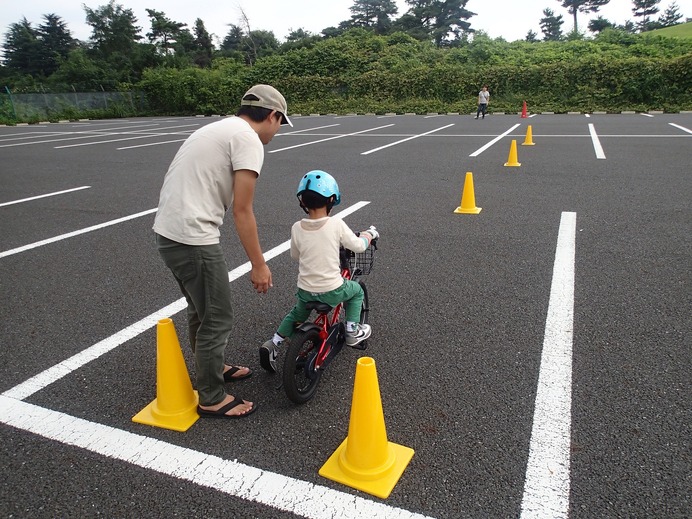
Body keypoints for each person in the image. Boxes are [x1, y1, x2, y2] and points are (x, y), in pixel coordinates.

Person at [153, 84, 292, 418]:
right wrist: (259, 265)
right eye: (280, 123)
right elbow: (242, 210)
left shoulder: (218, 128)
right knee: (217, 317)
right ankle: (212, 396)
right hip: (192, 238)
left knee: (201, 312)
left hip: (169, 235)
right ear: (272, 115)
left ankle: (211, 372)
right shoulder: (247, 139)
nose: (277, 131)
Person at [259, 170, 379, 373]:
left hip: (305, 291)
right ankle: (352, 330)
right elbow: (358, 246)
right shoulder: (335, 224)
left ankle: (274, 343)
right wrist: (369, 234)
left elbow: (295, 256)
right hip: (331, 289)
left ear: (302, 202)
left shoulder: (297, 227)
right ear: (332, 199)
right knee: (356, 291)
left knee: (297, 314)